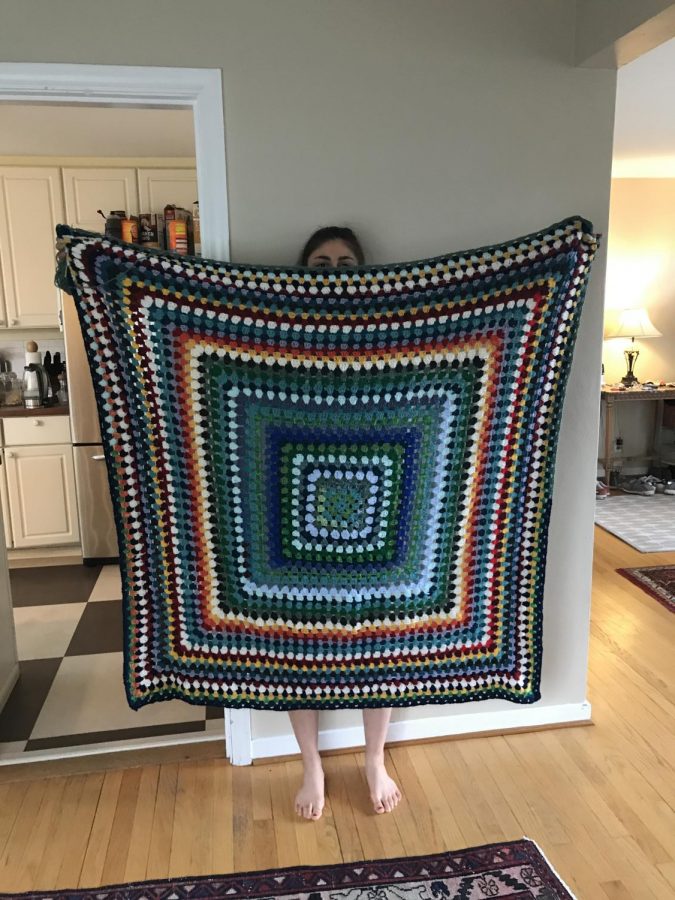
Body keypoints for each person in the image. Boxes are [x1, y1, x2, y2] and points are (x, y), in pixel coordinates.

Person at [289, 226, 402, 821]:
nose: (333, 271)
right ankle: (311, 764)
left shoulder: (390, 334)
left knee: (379, 647)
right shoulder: (273, 333)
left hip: (378, 521)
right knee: (292, 654)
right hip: (288, 522)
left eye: (345, 261)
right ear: (302, 269)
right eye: (320, 262)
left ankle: (374, 758)